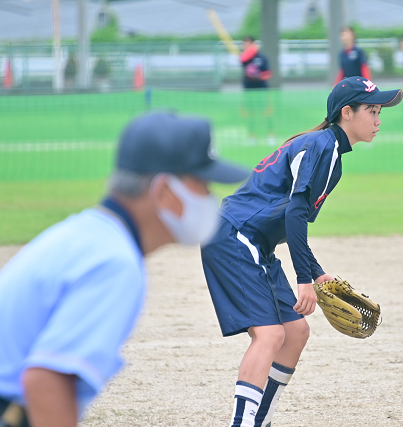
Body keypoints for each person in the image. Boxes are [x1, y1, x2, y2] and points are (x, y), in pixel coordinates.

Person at [0, 112, 248, 427]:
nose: (210, 197)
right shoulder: (115, 263)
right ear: (164, 193)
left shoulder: (89, 233)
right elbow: (46, 380)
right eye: (201, 184)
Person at [200, 76, 402, 427]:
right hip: (235, 236)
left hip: (254, 242)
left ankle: (260, 421)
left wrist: (318, 272)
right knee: (271, 334)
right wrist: (304, 279)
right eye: (371, 110)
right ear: (347, 113)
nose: (378, 119)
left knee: (295, 332)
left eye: (379, 111)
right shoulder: (323, 147)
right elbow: (294, 213)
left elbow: (290, 218)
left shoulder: (328, 150)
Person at [240, 36, 276, 146]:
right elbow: (242, 62)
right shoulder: (245, 58)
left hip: (261, 90)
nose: (244, 46)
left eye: (247, 43)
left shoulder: (262, 57)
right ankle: (252, 136)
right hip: (249, 90)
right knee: (250, 114)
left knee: (266, 113)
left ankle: (271, 135)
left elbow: (268, 73)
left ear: (252, 43)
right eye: (243, 43)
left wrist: (258, 76)